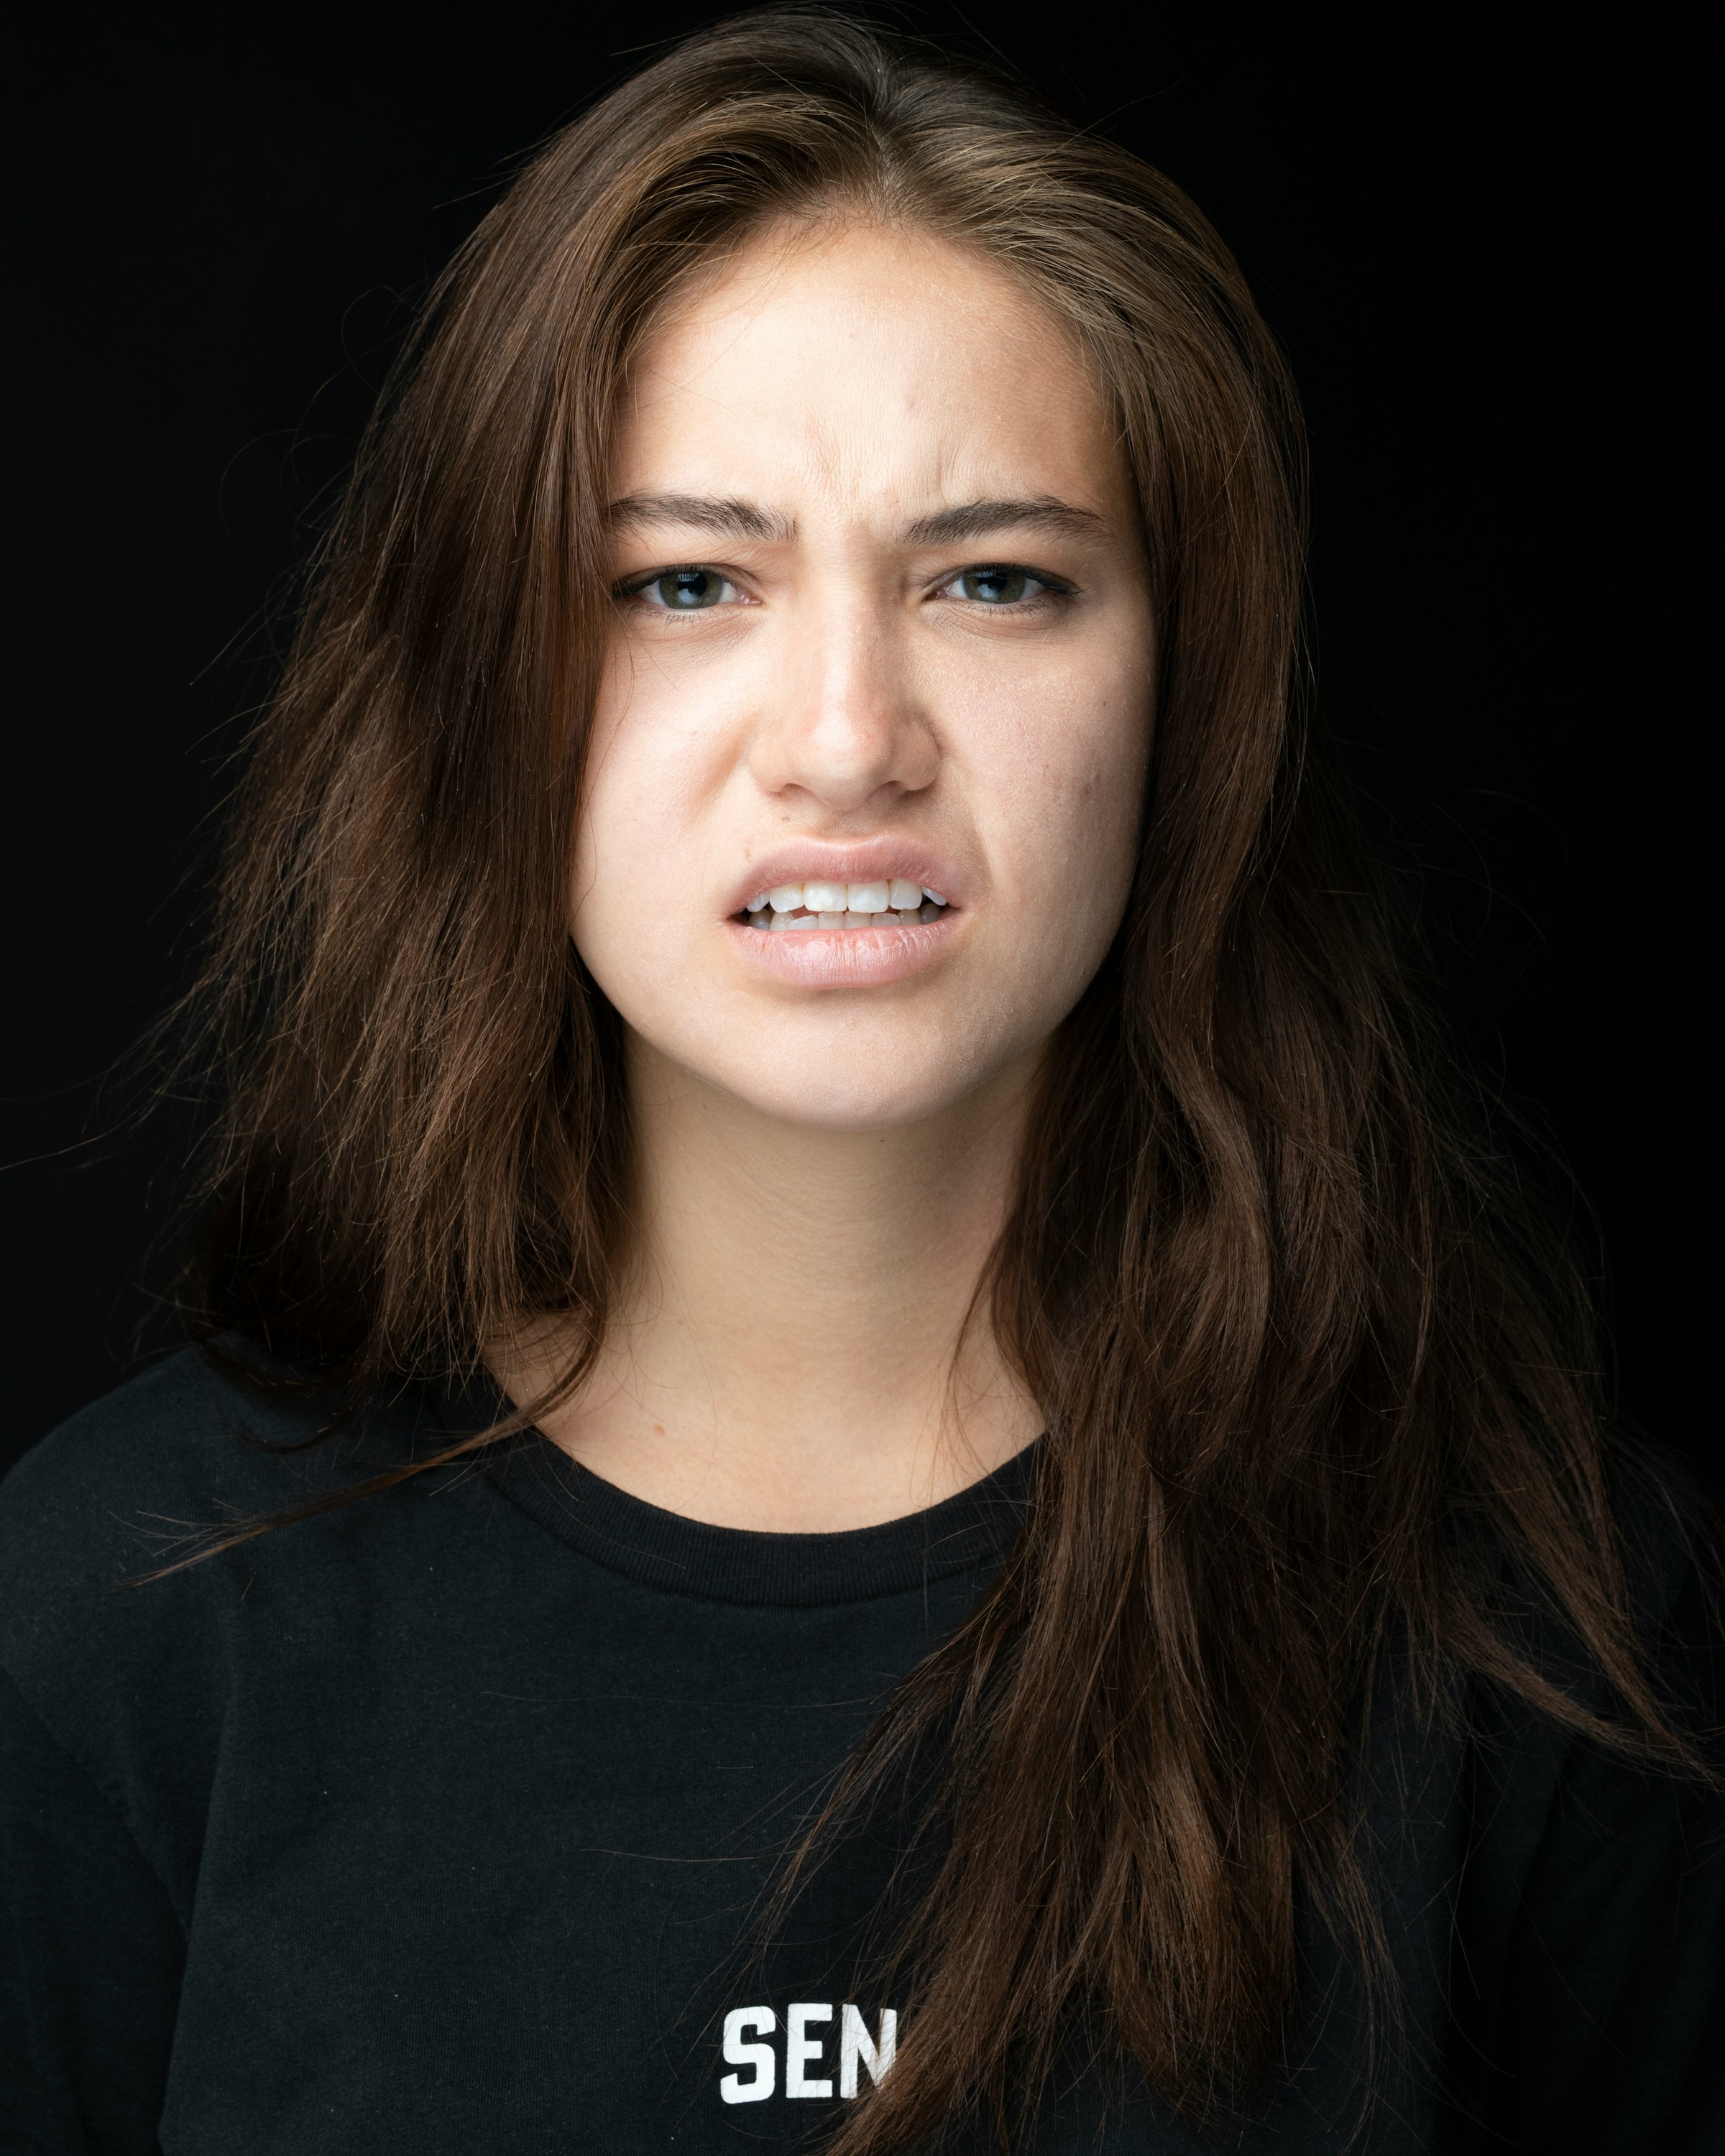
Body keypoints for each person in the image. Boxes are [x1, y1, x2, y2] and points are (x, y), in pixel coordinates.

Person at [1, 11, 1718, 2152]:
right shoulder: (123, 1617)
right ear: (480, 683)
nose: (845, 737)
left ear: (1184, 700)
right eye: (685, 585)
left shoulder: (1526, 1629)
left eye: (995, 580)